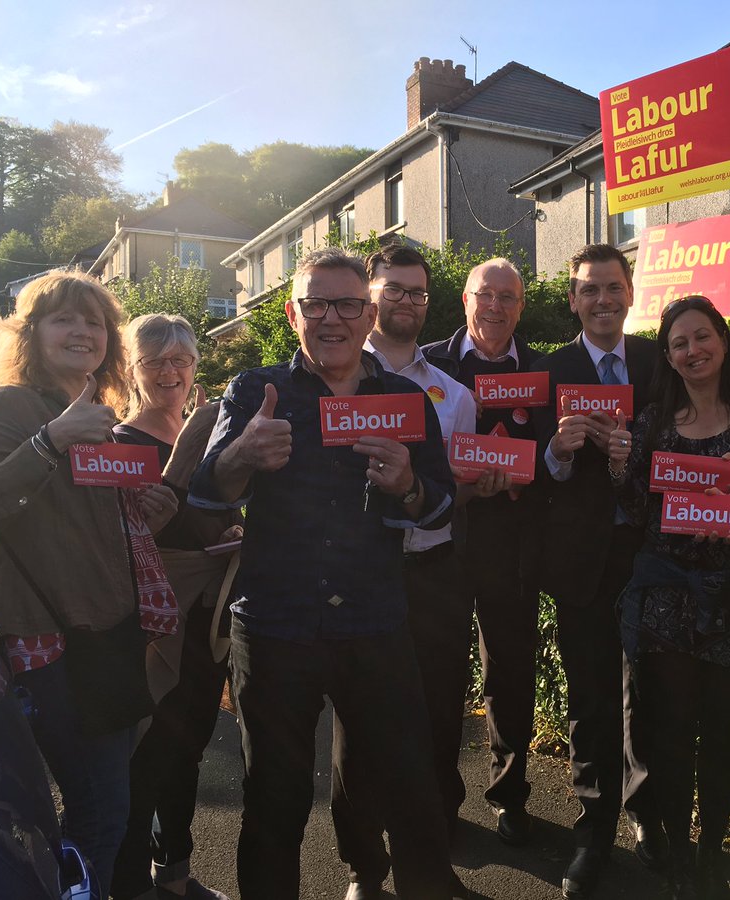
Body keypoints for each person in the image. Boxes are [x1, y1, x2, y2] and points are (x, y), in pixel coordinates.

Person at [189, 247, 465, 900]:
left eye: (346, 304)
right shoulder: (256, 391)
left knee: (409, 790)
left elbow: (443, 499)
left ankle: (393, 881)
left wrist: (408, 488)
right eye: (316, 304)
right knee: (274, 803)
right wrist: (241, 455)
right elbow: (204, 494)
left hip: (374, 620)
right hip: (275, 623)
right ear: (293, 314)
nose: (332, 318)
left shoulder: (403, 398)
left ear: (369, 314)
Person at [0, 272, 179, 897]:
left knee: (98, 810)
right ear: (30, 335)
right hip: (48, 640)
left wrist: (139, 511)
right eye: (63, 320)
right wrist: (49, 442)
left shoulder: (96, 416)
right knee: (100, 813)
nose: (82, 331)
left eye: (95, 322)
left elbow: (78, 523)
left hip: (105, 638)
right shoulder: (8, 406)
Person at [331, 244, 494, 899]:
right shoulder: (338, 380)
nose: (406, 301)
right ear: (370, 297)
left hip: (434, 574)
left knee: (435, 723)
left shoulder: (454, 394)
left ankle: (427, 865)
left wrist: (479, 482)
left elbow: (454, 489)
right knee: (358, 727)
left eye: (417, 292)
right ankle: (363, 868)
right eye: (393, 289)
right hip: (363, 574)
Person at [613, 297, 730, 899]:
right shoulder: (652, 421)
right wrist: (621, 468)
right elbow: (632, 510)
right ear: (669, 357)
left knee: (722, 734)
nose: (692, 351)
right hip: (668, 597)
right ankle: (677, 856)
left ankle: (713, 857)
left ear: (722, 342)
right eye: (679, 343)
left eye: (702, 337)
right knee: (670, 734)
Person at [530, 244, 658, 899]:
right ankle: (592, 830)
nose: (603, 300)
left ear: (630, 291)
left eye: (613, 288)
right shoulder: (548, 371)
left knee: (648, 698)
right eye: (590, 290)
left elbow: (681, 446)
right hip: (580, 564)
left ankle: (646, 818)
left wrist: (631, 459)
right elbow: (529, 469)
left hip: (650, 559)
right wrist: (555, 451)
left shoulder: (656, 361)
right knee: (590, 703)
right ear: (574, 300)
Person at [112, 313, 239, 900]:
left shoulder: (214, 436)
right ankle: (130, 881)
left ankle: (175, 871)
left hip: (208, 619)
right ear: (131, 370)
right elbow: (118, 540)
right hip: (150, 621)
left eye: (181, 360)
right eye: (154, 360)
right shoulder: (118, 446)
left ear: (195, 367)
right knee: (145, 753)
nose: (170, 371)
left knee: (189, 748)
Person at [422, 258, 544, 846]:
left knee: (511, 673)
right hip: (442, 540)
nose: (495, 306)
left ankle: (511, 796)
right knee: (441, 675)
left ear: (521, 307)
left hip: (513, 544)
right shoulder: (428, 364)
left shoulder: (543, 371)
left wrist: (534, 472)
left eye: (507, 297)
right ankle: (439, 800)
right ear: (464, 301)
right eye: (484, 295)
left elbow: (555, 457)